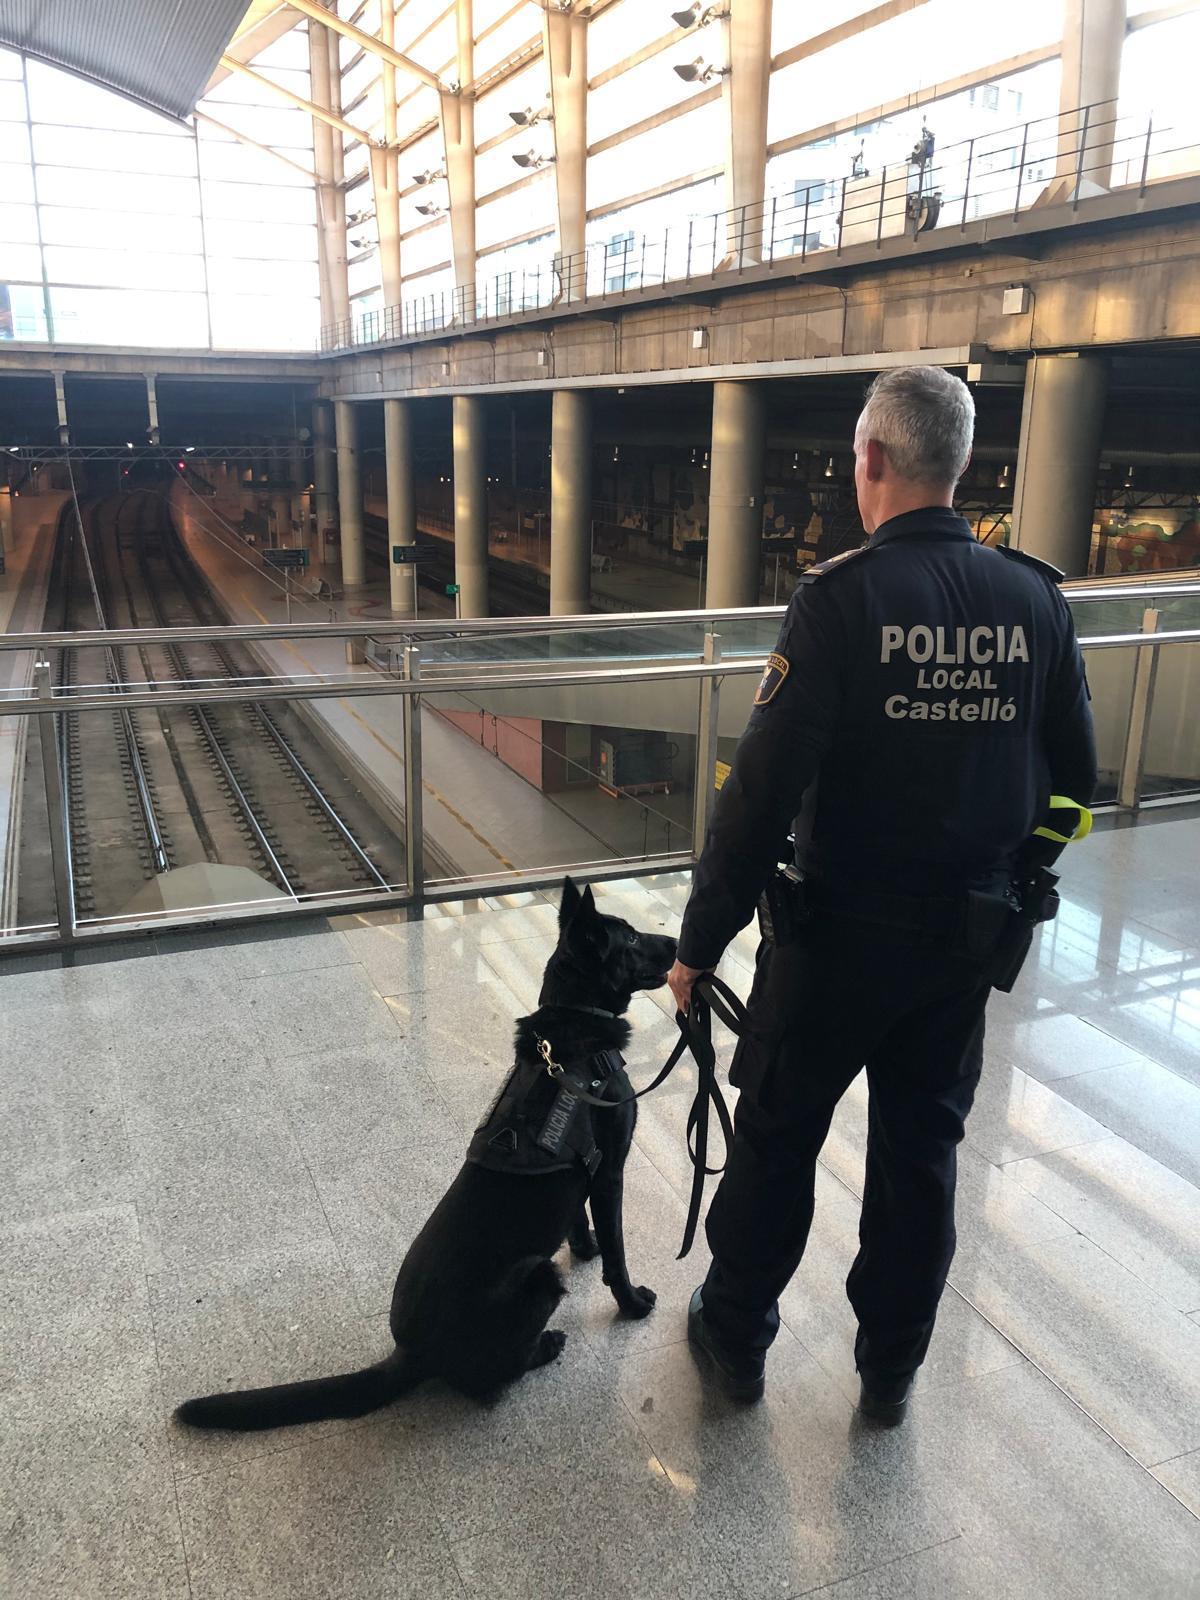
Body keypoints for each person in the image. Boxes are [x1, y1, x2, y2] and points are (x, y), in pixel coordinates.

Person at [667, 365, 1097, 1419]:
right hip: (960, 948)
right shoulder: (1034, 600)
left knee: (776, 1139)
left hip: (831, 947)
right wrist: (1018, 877)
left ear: (872, 459)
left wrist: (698, 944)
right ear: (957, 465)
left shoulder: (840, 601)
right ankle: (892, 1370)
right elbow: (1079, 784)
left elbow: (758, 799)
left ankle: (735, 1341)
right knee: (923, 1157)